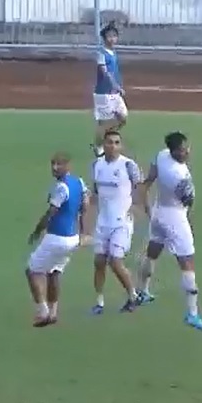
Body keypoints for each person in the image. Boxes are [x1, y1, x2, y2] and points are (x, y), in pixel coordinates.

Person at [137, 132, 202, 332]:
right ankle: (192, 313)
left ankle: (142, 291)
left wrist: (146, 204)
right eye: (182, 149)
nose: (186, 152)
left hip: (159, 210)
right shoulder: (179, 175)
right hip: (175, 217)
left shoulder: (161, 155)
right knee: (187, 262)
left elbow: (149, 178)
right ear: (173, 151)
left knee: (153, 251)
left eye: (187, 147)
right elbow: (189, 202)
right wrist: (190, 221)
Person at [25, 153, 88, 327]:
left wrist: (37, 231)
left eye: (59, 164)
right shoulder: (79, 182)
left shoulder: (61, 188)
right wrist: (83, 232)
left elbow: (50, 213)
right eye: (53, 164)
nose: (54, 168)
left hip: (56, 238)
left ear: (68, 165)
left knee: (32, 271)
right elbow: (85, 205)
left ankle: (43, 311)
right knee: (53, 272)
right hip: (72, 239)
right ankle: (53, 313)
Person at [90, 128, 145, 315]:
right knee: (99, 261)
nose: (112, 146)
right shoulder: (97, 165)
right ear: (103, 145)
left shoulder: (128, 165)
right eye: (109, 142)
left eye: (116, 142)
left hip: (122, 221)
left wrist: (136, 206)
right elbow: (95, 191)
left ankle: (133, 295)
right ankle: (99, 302)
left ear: (121, 146)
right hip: (103, 221)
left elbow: (140, 187)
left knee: (115, 261)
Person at [91, 23, 127, 158]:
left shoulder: (114, 53)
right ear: (104, 38)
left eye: (114, 36)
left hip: (114, 93)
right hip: (103, 94)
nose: (112, 39)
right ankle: (100, 146)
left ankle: (107, 139)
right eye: (109, 36)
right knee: (104, 123)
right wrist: (116, 86)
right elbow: (105, 73)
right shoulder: (101, 54)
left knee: (122, 118)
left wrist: (118, 86)